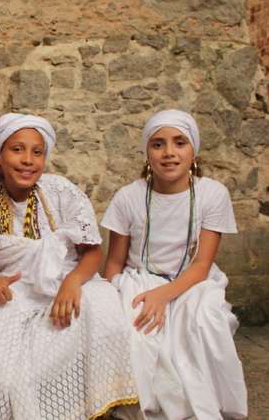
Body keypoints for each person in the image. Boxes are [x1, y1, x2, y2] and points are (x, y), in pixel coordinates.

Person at [0, 113, 139, 419]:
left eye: (37, 152)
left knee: (103, 300)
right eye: (17, 150)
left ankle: (87, 400)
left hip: (68, 281)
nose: (28, 160)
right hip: (18, 291)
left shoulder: (60, 191)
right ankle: (1, 399)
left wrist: (72, 283)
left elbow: (92, 254)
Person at [102, 109, 248, 420]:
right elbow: (114, 262)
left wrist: (163, 295)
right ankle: (138, 401)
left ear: (193, 149)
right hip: (139, 280)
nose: (169, 153)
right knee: (136, 328)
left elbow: (202, 264)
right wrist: (111, 301)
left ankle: (202, 404)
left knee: (204, 319)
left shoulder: (212, 194)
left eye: (179, 143)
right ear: (147, 152)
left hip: (192, 280)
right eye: (158, 144)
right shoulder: (129, 197)